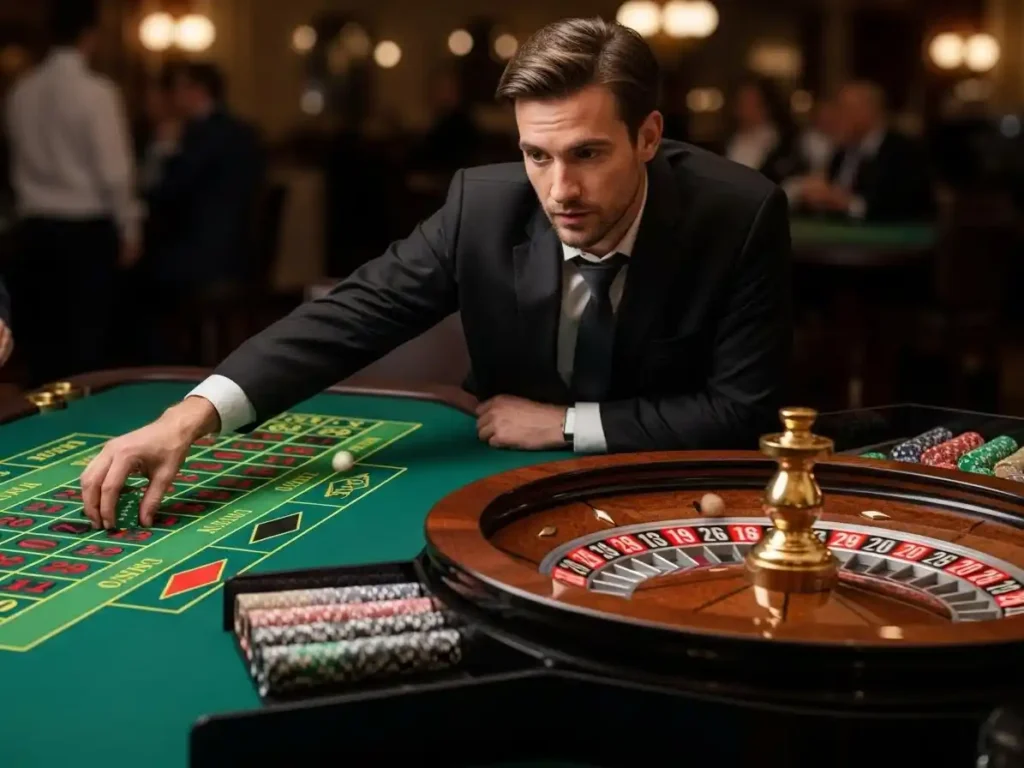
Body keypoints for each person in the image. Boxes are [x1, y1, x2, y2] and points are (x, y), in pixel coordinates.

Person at [80, 17, 793, 530]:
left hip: (672, 493)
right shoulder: (482, 206)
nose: (560, 191)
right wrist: (187, 418)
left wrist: (568, 424)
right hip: (497, 487)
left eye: (587, 154)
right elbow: (346, 317)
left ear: (648, 137)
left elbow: (741, 411)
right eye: (536, 156)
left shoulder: (739, 214)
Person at [4, 0, 140, 386]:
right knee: (87, 348)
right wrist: (130, 228)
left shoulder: (21, 92)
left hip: (33, 232)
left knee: (44, 347)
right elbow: (115, 172)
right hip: (86, 233)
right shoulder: (96, 92)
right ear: (89, 36)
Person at [786, 80, 935, 221]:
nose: (835, 117)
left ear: (868, 112)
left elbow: (909, 207)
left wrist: (847, 203)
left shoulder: (904, 151)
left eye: (843, 109)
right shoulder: (842, 153)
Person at [725, 75, 801, 184]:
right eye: (742, 102)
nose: (745, 109)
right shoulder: (727, 142)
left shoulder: (782, 144)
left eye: (752, 103)